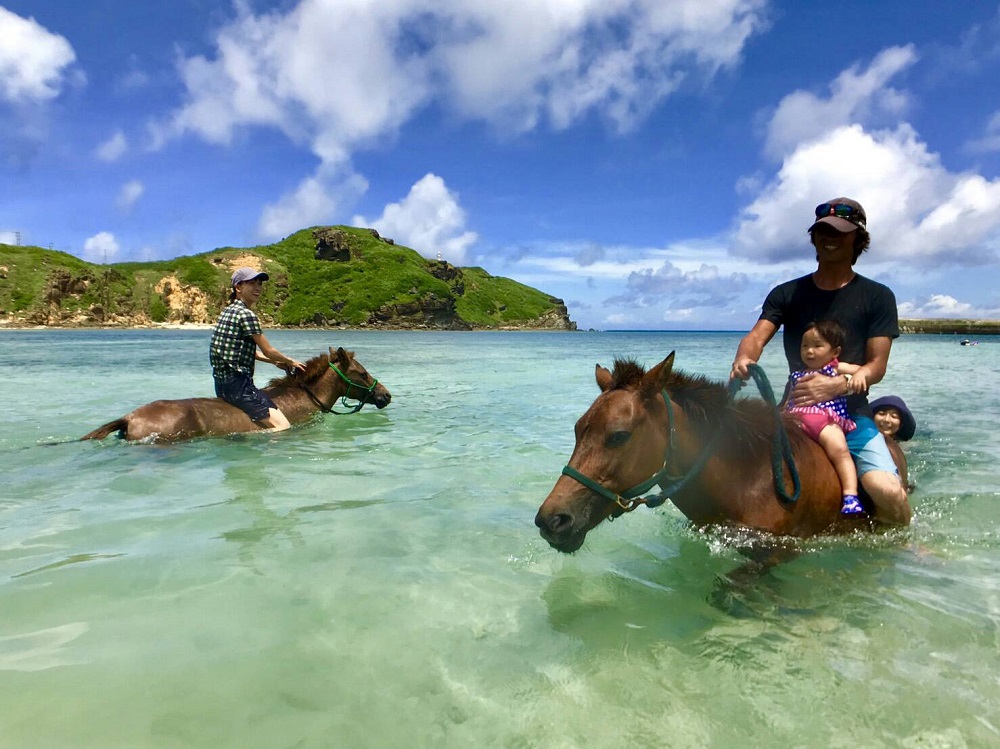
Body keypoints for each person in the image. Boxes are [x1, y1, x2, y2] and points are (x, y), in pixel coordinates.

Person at [730, 197, 911, 525]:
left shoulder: (877, 296)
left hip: (851, 414)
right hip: (792, 411)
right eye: (823, 231)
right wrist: (744, 358)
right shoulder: (787, 293)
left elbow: (876, 365)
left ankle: (909, 543)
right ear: (813, 237)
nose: (830, 237)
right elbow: (756, 336)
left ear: (858, 239)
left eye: (841, 232)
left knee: (886, 490)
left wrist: (838, 386)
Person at [209, 267, 306, 432]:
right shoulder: (246, 315)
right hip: (239, 386)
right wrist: (290, 361)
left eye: (259, 284)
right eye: (251, 283)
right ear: (238, 287)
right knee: (283, 426)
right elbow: (268, 350)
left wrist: (274, 362)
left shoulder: (227, 311)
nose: (257, 288)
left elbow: (240, 351)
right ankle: (263, 448)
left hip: (221, 384)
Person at [786, 320, 866, 515]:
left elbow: (862, 371)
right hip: (796, 418)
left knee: (839, 451)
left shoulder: (836, 368)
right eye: (805, 346)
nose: (809, 351)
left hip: (825, 420)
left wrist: (853, 379)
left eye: (817, 346)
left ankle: (850, 495)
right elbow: (790, 398)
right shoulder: (797, 374)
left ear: (835, 352)